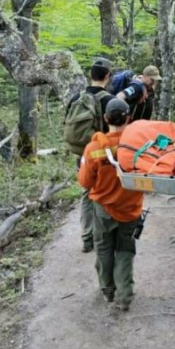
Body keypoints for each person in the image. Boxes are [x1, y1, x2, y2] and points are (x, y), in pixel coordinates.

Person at [78, 98, 144, 312]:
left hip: (103, 209)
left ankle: (108, 290)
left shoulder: (94, 148)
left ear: (105, 119)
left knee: (104, 248)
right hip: (131, 208)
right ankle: (124, 295)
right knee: (125, 249)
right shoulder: (138, 145)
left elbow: (85, 182)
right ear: (129, 117)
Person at [65, 58, 114, 253]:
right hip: (102, 155)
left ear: (90, 75)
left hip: (82, 155)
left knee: (87, 194)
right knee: (105, 193)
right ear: (108, 76)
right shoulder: (109, 100)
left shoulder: (76, 97)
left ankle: (87, 237)